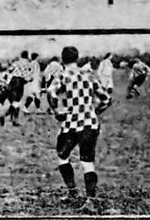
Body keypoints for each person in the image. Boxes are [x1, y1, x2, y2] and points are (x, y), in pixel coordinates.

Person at [47, 46, 112, 214]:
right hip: (90, 124)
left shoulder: (62, 75)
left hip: (71, 124)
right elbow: (106, 98)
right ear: (77, 59)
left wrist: (57, 112)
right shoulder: (88, 75)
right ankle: (91, 199)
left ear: (63, 59)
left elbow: (51, 92)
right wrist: (96, 111)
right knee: (87, 162)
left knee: (62, 157)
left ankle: (72, 192)